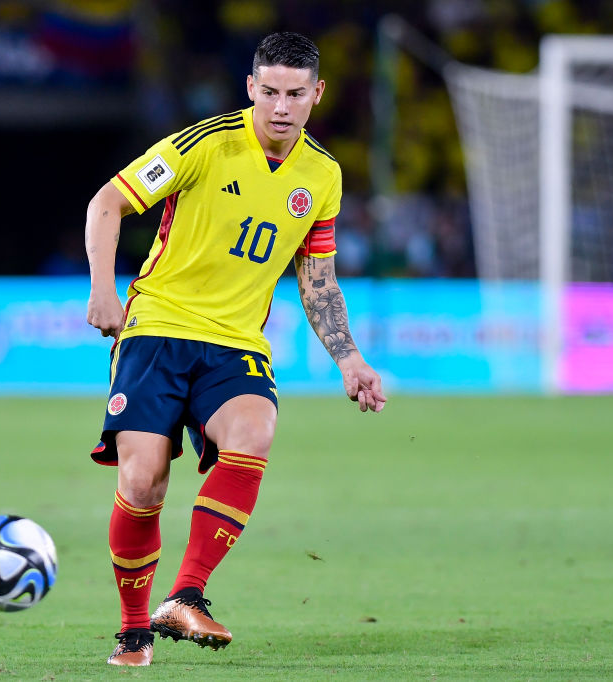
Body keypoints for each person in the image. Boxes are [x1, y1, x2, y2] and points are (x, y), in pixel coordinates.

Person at [84, 31, 386, 667]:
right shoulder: (203, 144)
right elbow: (107, 201)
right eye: (270, 91)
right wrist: (103, 291)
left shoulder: (322, 176)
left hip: (236, 342)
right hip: (158, 328)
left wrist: (349, 358)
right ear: (251, 88)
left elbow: (318, 279)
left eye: (295, 94)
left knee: (256, 429)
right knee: (143, 482)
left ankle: (187, 594)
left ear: (316, 95)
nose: (281, 106)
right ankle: (133, 631)